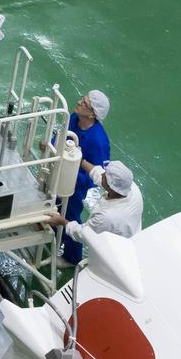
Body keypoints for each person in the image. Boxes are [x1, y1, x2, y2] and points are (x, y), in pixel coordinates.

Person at [53, 90, 112, 265]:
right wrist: (51, 144)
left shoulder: (98, 141)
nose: (79, 102)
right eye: (82, 99)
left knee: (70, 213)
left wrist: (73, 176)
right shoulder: (74, 118)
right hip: (57, 171)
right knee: (52, 202)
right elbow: (62, 136)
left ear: (92, 114)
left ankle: (72, 258)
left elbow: (99, 175)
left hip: (75, 184)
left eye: (84, 103)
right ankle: (53, 229)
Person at [48, 159, 143, 248]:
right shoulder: (129, 188)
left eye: (105, 175)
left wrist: (61, 221)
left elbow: (83, 235)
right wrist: (81, 161)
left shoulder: (106, 217)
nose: (102, 174)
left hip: (116, 248)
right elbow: (99, 174)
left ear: (111, 187)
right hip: (132, 232)